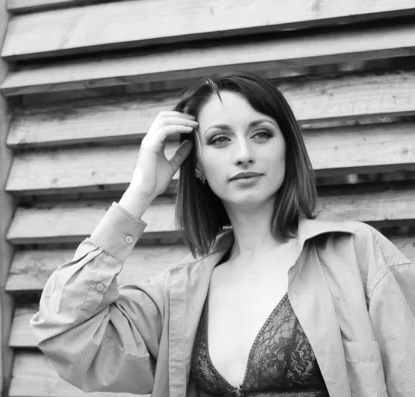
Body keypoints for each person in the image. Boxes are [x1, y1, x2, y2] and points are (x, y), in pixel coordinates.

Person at [30, 72, 415, 397]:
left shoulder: (357, 254)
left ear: (287, 148)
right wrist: (140, 193)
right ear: (196, 165)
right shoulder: (177, 294)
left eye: (261, 134)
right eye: (220, 139)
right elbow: (65, 331)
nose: (243, 153)